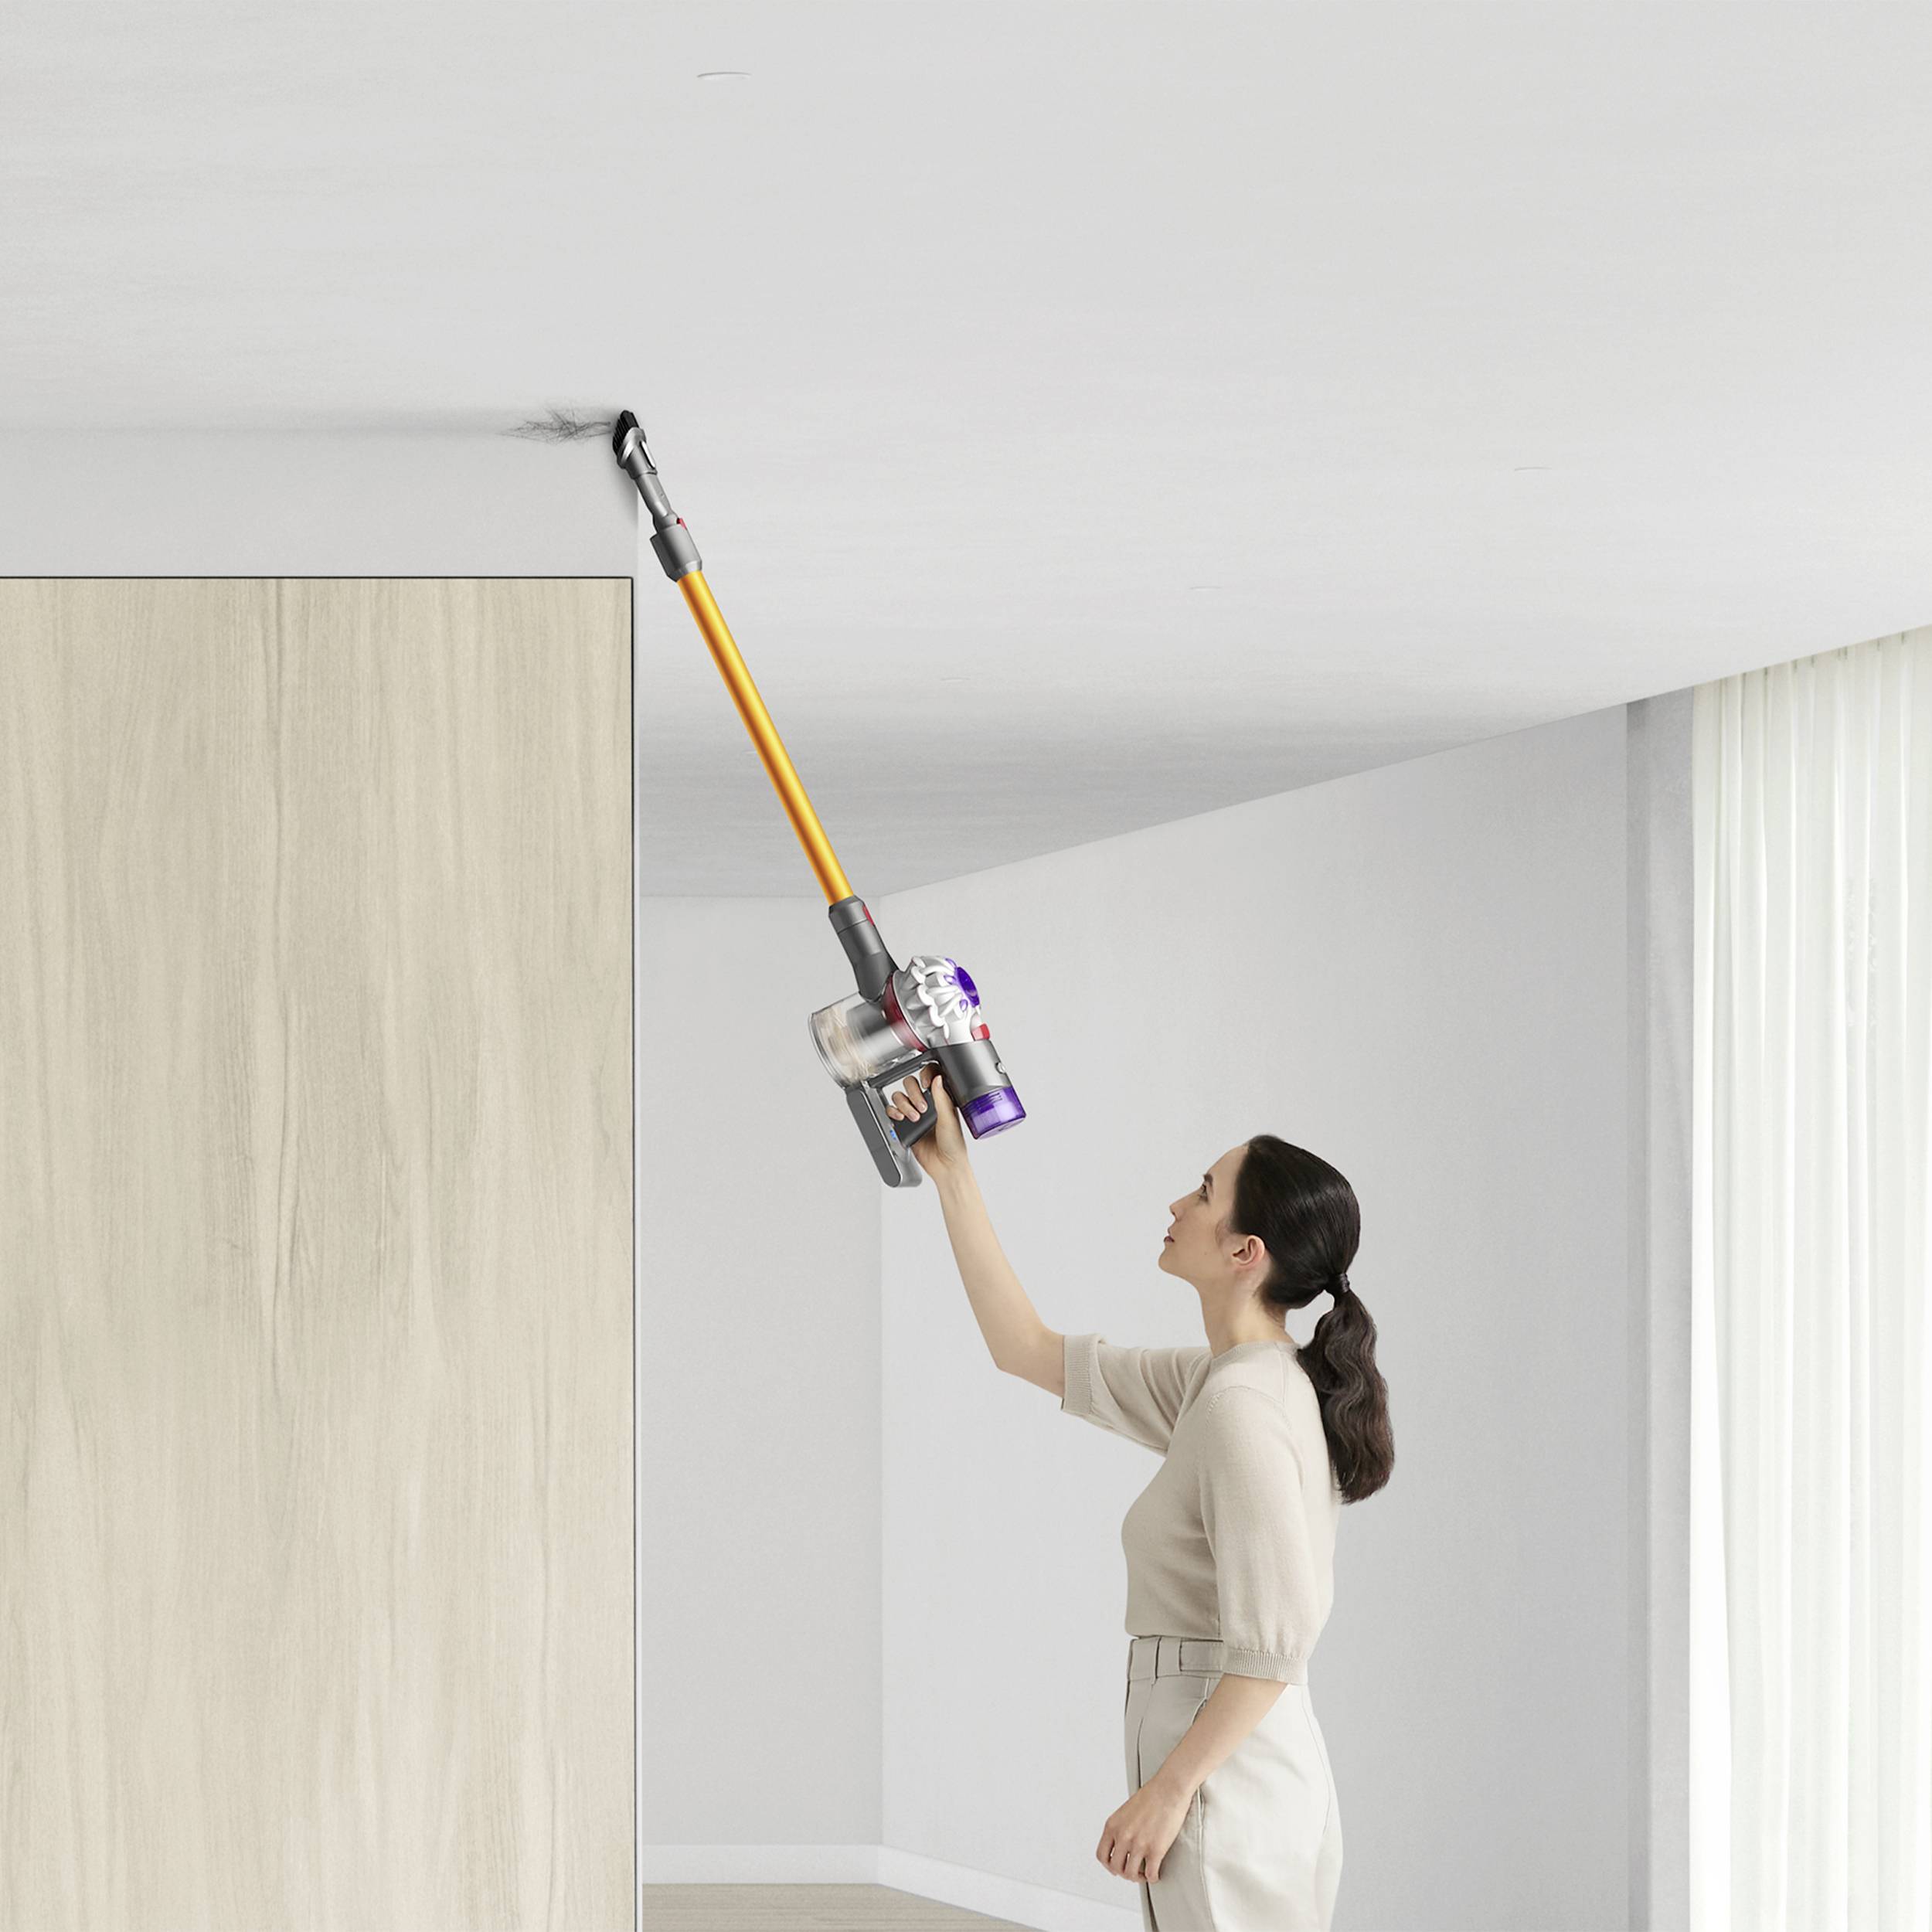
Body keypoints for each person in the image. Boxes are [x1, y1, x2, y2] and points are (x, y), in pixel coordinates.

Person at [886, 1065, 1393, 1932]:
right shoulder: (1220, 1383)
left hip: (1227, 1779)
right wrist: (953, 1174)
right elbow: (1025, 1348)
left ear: (1246, 1252)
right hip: (1218, 1765)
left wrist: (1169, 1789)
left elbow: (1277, 1642)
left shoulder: (1244, 1407)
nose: (1177, 1204)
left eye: (1204, 1191)